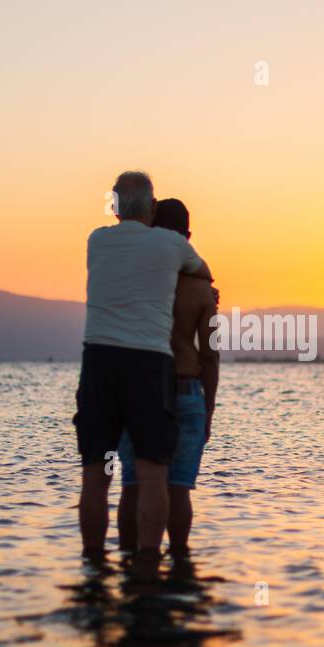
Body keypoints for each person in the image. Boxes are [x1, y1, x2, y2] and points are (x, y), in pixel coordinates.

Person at [74, 172, 211, 555]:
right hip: (149, 365)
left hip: (99, 361)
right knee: (153, 476)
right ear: (151, 208)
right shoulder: (170, 244)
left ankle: (94, 567)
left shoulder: (96, 241)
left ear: (114, 207)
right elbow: (202, 271)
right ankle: (148, 568)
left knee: (95, 477)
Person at [116, 199, 219, 555]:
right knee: (178, 488)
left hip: (140, 391)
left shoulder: (138, 280)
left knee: (133, 484)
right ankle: (178, 568)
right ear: (187, 235)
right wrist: (210, 407)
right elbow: (210, 353)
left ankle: (132, 563)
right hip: (187, 388)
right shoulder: (202, 286)